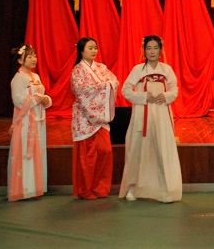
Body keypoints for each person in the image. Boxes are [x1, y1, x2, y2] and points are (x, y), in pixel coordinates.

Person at [119, 35, 182, 203]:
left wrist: (166, 96)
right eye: (149, 48)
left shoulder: (167, 69)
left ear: (161, 50)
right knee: (138, 148)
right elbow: (125, 90)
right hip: (142, 113)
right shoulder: (137, 70)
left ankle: (166, 189)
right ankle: (134, 188)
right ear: (144, 51)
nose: (152, 51)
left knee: (162, 148)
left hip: (161, 113)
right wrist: (142, 97)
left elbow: (175, 89)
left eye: (155, 48)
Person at [71, 37, 119, 200]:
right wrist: (102, 86)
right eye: (90, 48)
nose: (94, 51)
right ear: (81, 51)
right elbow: (81, 92)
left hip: (101, 118)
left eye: (95, 48)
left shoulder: (101, 67)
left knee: (105, 151)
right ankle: (85, 189)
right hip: (84, 118)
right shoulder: (78, 70)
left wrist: (103, 87)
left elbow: (114, 82)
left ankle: (100, 187)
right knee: (88, 156)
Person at [8, 44, 52, 201]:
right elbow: (18, 100)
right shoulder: (18, 78)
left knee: (36, 152)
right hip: (26, 121)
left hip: (37, 119)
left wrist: (45, 99)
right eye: (29, 56)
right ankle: (23, 189)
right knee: (26, 152)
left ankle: (35, 187)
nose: (34, 59)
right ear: (20, 60)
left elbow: (42, 95)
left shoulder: (36, 77)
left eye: (34, 56)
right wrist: (37, 99)